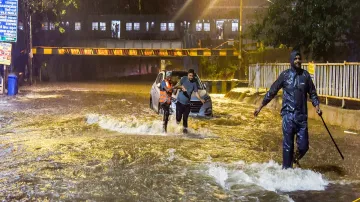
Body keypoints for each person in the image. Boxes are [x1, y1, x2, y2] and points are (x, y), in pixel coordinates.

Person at [254, 50, 322, 169]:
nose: (297, 61)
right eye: (295, 58)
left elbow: (313, 93)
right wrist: (260, 106)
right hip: (288, 116)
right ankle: (286, 172)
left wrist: (317, 106)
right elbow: (272, 91)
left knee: (304, 146)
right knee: (288, 146)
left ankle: (295, 158)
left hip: (301, 117)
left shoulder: (305, 76)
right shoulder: (285, 76)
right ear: (291, 60)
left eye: (299, 58)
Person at [175, 69, 205, 134]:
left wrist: (201, 99)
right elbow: (176, 86)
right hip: (179, 103)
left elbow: (196, 93)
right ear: (187, 75)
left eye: (192, 76)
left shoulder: (194, 83)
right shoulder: (184, 79)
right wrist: (181, 87)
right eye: (190, 75)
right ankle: (175, 129)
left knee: (185, 119)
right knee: (178, 119)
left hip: (187, 105)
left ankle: (185, 134)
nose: (191, 77)